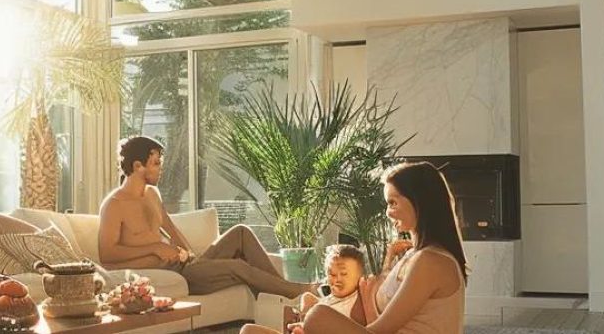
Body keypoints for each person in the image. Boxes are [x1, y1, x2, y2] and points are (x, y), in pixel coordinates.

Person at [98, 136, 312, 299]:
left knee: (241, 233)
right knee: (238, 266)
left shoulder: (152, 194)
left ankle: (279, 291)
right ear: (138, 166)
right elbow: (107, 255)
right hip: (169, 273)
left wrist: (191, 256)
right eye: (156, 163)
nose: (161, 169)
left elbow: (171, 229)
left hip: (185, 266)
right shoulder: (114, 205)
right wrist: (155, 248)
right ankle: (297, 292)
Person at [302, 162, 467, 334]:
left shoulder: (431, 261)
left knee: (317, 316)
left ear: (419, 201)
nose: (388, 212)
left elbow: (381, 330)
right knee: (314, 314)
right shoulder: (414, 255)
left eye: (393, 203)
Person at [238, 244, 369, 334]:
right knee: (248, 330)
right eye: (332, 274)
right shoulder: (329, 299)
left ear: (360, 276)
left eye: (344, 274)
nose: (337, 279)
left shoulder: (357, 300)